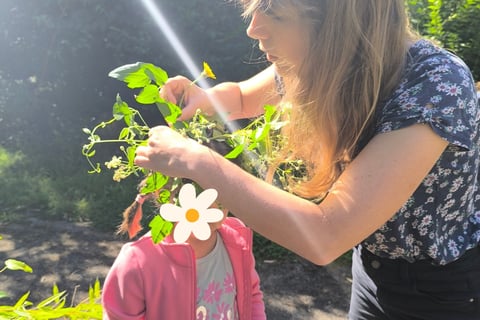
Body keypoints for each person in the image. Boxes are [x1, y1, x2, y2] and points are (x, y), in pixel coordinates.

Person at [134, 1, 480, 319]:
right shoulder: (324, 60)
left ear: (338, 25)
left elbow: (327, 234)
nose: (253, 28)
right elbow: (240, 97)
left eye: (276, 14)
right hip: (372, 269)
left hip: (442, 292)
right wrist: (204, 99)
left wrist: (198, 162)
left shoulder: (435, 85)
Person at [102, 184, 267, 320]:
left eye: (219, 190)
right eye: (195, 189)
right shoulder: (138, 262)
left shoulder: (237, 243)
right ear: (163, 192)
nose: (210, 205)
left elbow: (251, 297)